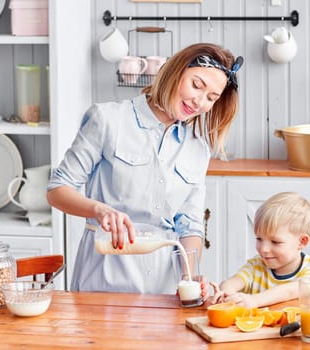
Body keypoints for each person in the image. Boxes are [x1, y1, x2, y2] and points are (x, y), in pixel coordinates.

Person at [46, 43, 243, 294]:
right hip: (104, 282)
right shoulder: (108, 119)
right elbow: (57, 189)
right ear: (175, 71)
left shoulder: (198, 149)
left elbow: (190, 225)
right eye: (196, 85)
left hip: (164, 291)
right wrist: (100, 210)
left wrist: (190, 277)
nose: (199, 102)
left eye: (211, 98)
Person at [209, 192, 310, 308]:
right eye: (259, 239)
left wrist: (255, 300)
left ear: (302, 242)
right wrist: (227, 294)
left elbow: (290, 291)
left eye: (275, 242)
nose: (264, 249)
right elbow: (230, 283)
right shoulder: (256, 265)